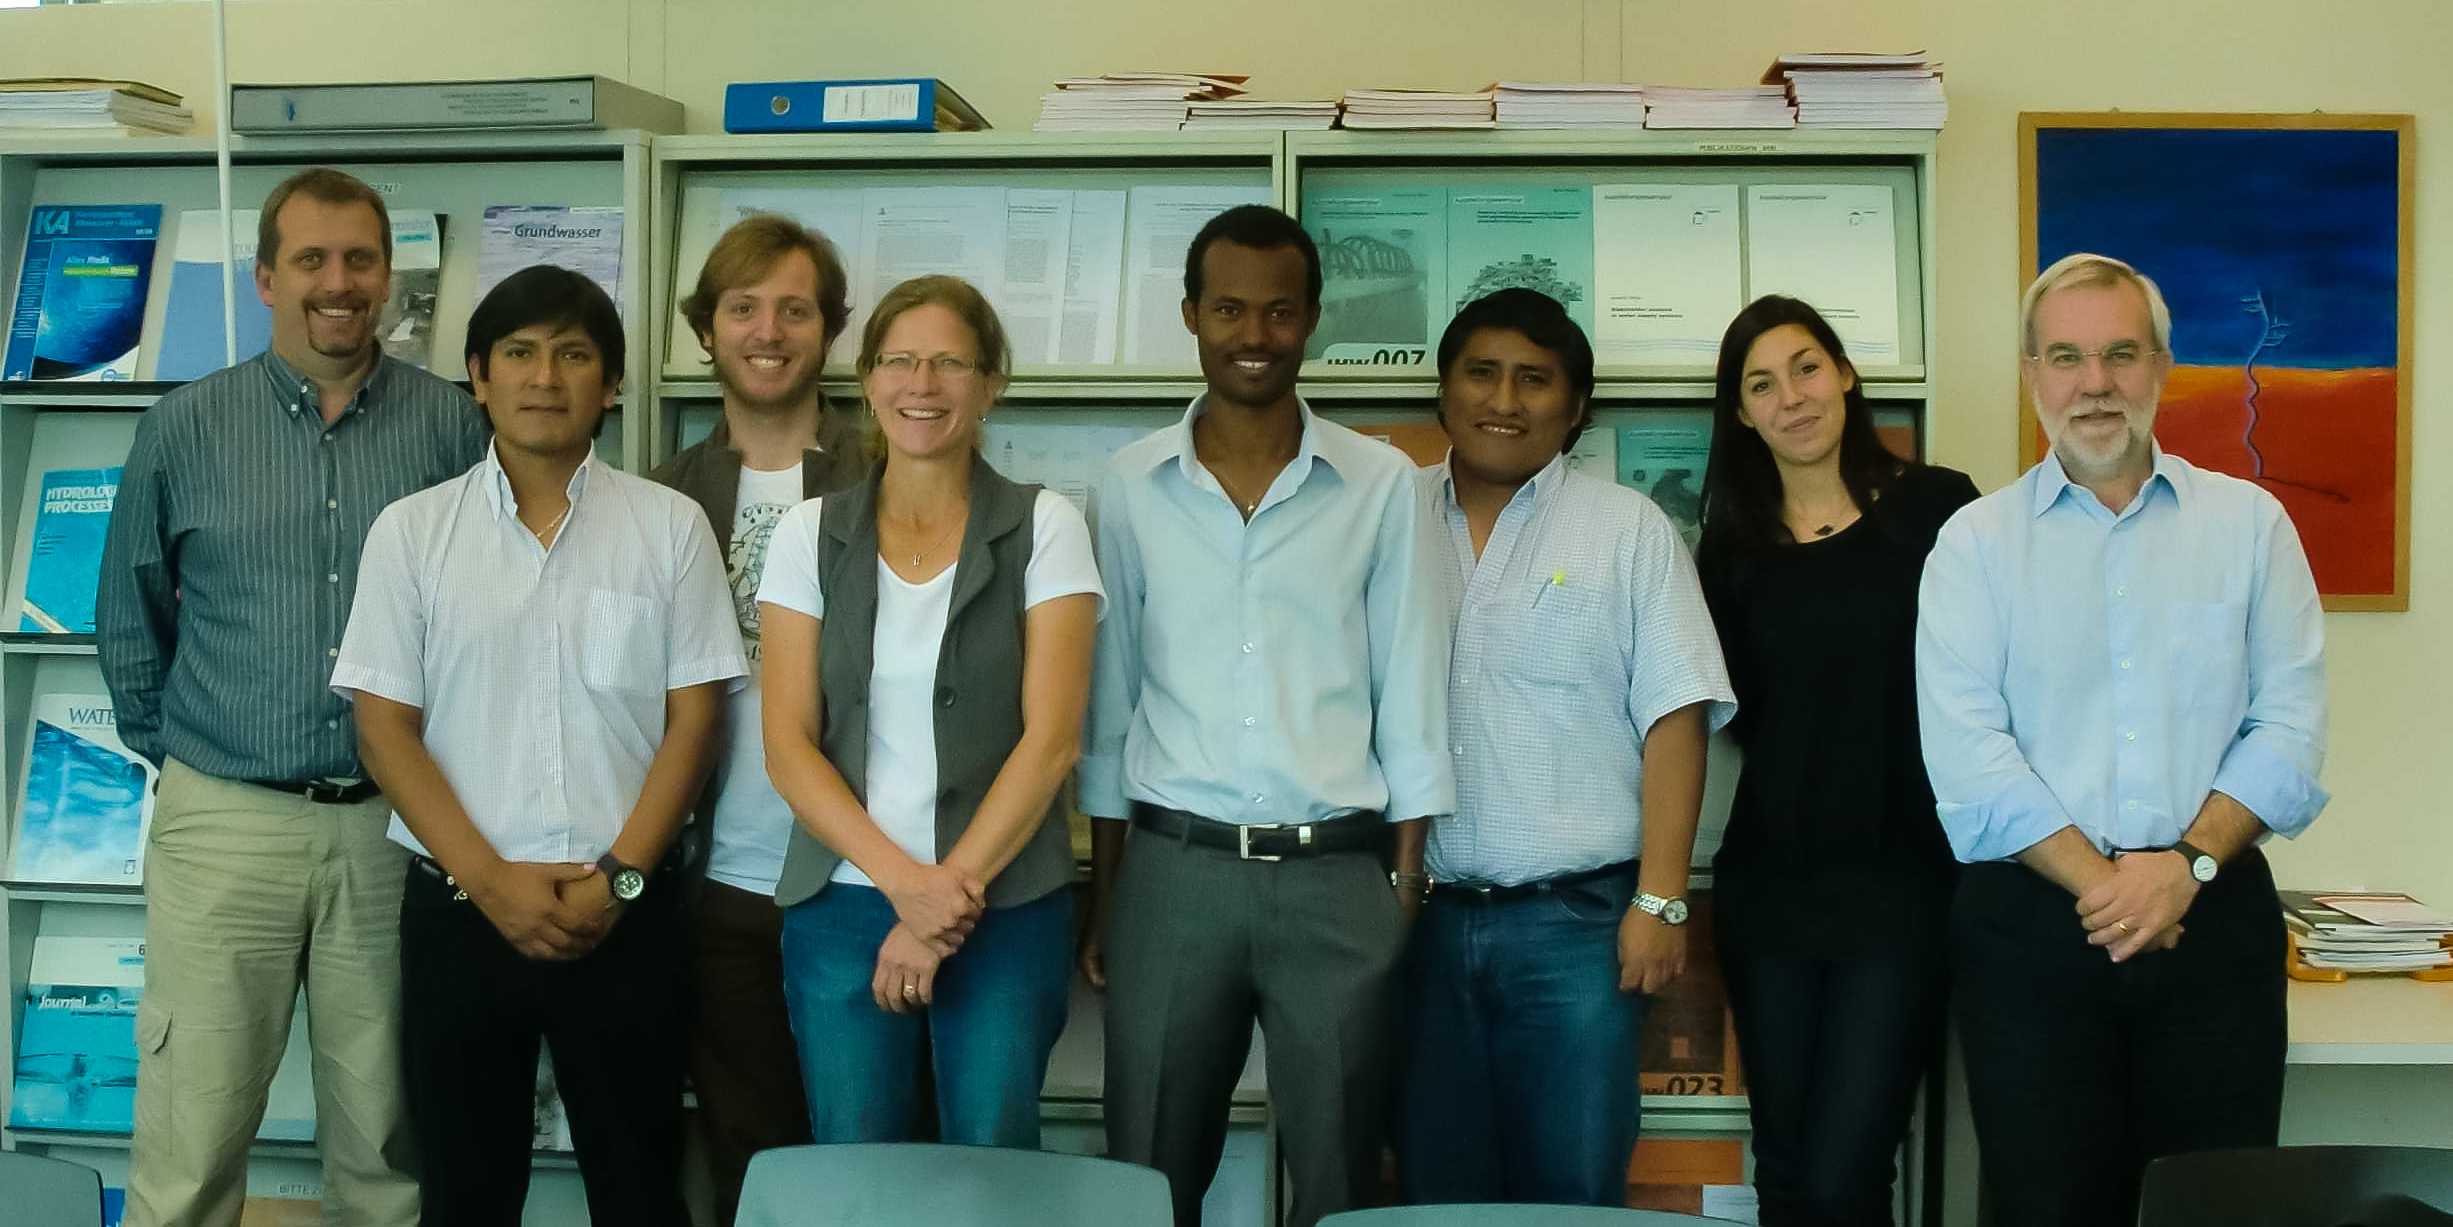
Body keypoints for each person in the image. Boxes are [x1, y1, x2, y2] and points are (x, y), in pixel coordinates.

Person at [97, 166, 489, 1227]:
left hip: (392, 830)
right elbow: (132, 621)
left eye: (360, 259)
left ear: (388, 278)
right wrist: (195, 759)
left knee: (385, 1142)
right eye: (311, 259)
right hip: (227, 823)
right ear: (266, 277)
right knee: (191, 1138)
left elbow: (480, 627)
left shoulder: (450, 431)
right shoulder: (186, 426)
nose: (338, 281)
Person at [1916, 253, 2329, 1226]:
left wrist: (2181, 867)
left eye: (2117, 354)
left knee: (2217, 1208)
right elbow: (1969, 758)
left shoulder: (2249, 527)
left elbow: (2289, 728)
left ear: (2159, 368)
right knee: (2042, 1209)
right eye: (2064, 357)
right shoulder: (1974, 546)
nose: (2092, 383)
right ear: (2030, 376)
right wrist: (2112, 890)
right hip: (2030, 936)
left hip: (2210, 927)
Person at [333, 264, 744, 1225]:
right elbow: (383, 727)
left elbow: (697, 719)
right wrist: (488, 880)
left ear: (611, 384)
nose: (544, 376)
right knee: (464, 1194)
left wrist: (621, 880)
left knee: (640, 1188)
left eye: (573, 354)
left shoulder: (668, 527)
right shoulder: (412, 533)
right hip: (459, 912)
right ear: (477, 376)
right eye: (518, 352)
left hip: (628, 913)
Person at [1079, 204, 1452, 1227]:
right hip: (1173, 873)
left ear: (1312, 320)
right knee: (1149, 1173)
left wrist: (1402, 890)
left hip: (1336, 877)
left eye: (1280, 311)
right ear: (1191, 314)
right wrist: (1109, 896)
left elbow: (1410, 689)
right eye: (1231, 309)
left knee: (1336, 1180)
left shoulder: (1381, 485)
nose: (1255, 335)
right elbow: (1109, 707)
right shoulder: (1127, 486)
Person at [1399, 288, 1733, 1206]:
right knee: (1434, 1193)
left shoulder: (1626, 530)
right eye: (1481, 372)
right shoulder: (1383, 519)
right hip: (1411, 925)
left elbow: (1676, 714)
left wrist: (1661, 900)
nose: (1504, 399)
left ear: (1575, 406)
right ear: (1445, 388)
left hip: (1576, 932)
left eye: (1534, 379)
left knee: (1573, 1193)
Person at [760, 274, 1103, 1147]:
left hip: (1005, 906)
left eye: (951, 361)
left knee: (991, 1159)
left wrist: (945, 901)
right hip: (841, 904)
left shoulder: (1045, 525)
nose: (924, 383)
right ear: (869, 379)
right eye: (901, 360)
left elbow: (1052, 740)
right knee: (854, 1163)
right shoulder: (808, 533)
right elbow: (789, 748)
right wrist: (905, 888)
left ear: (990, 382)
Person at [1695, 294, 1977, 1226]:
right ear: (1740, 413)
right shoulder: (1730, 550)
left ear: (1846, 374)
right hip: (1770, 889)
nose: (1792, 397)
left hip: (1902, 890)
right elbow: (1736, 718)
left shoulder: (1940, 508)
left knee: (1848, 1172)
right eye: (1761, 384)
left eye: (1806, 367)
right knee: (1782, 1165)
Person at [649, 213, 866, 1222]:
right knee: (750, 1153)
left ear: (830, 329)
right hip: (720, 878)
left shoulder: (885, 479)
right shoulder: (661, 497)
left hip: (859, 873)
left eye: (793, 308)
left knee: (876, 1148)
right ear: (705, 330)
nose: (767, 330)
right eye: (742, 308)